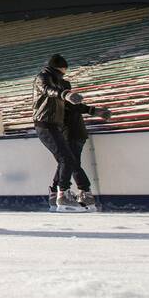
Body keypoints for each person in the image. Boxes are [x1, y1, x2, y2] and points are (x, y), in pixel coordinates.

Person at [32, 54, 102, 212]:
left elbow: (71, 106)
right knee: (67, 159)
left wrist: (92, 110)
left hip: (54, 125)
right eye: (63, 71)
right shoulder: (43, 77)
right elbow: (47, 90)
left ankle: (61, 194)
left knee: (68, 160)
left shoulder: (61, 83)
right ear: (59, 68)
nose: (64, 74)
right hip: (44, 124)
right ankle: (62, 196)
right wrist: (65, 94)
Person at [57, 95, 113, 211]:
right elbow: (77, 107)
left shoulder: (59, 100)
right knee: (71, 163)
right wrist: (93, 110)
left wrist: (93, 110)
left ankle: (84, 193)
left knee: (71, 164)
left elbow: (75, 107)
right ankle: (84, 194)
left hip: (71, 135)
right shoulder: (63, 100)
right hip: (75, 134)